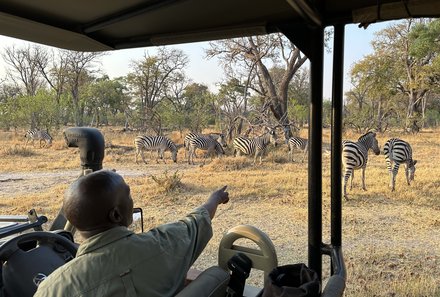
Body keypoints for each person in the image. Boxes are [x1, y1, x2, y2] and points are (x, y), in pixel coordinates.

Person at [34, 169, 230, 297]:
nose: (132, 200)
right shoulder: (160, 244)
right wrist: (215, 199)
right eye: (128, 194)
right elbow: (195, 223)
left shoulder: (51, 289)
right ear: (116, 214)